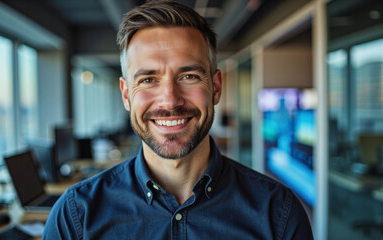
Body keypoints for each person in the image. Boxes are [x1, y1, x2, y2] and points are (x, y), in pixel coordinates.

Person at [43, 1, 313, 239]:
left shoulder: (279, 213)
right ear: (126, 95)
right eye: (148, 80)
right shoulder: (75, 217)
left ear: (216, 87)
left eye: (189, 76)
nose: (169, 100)